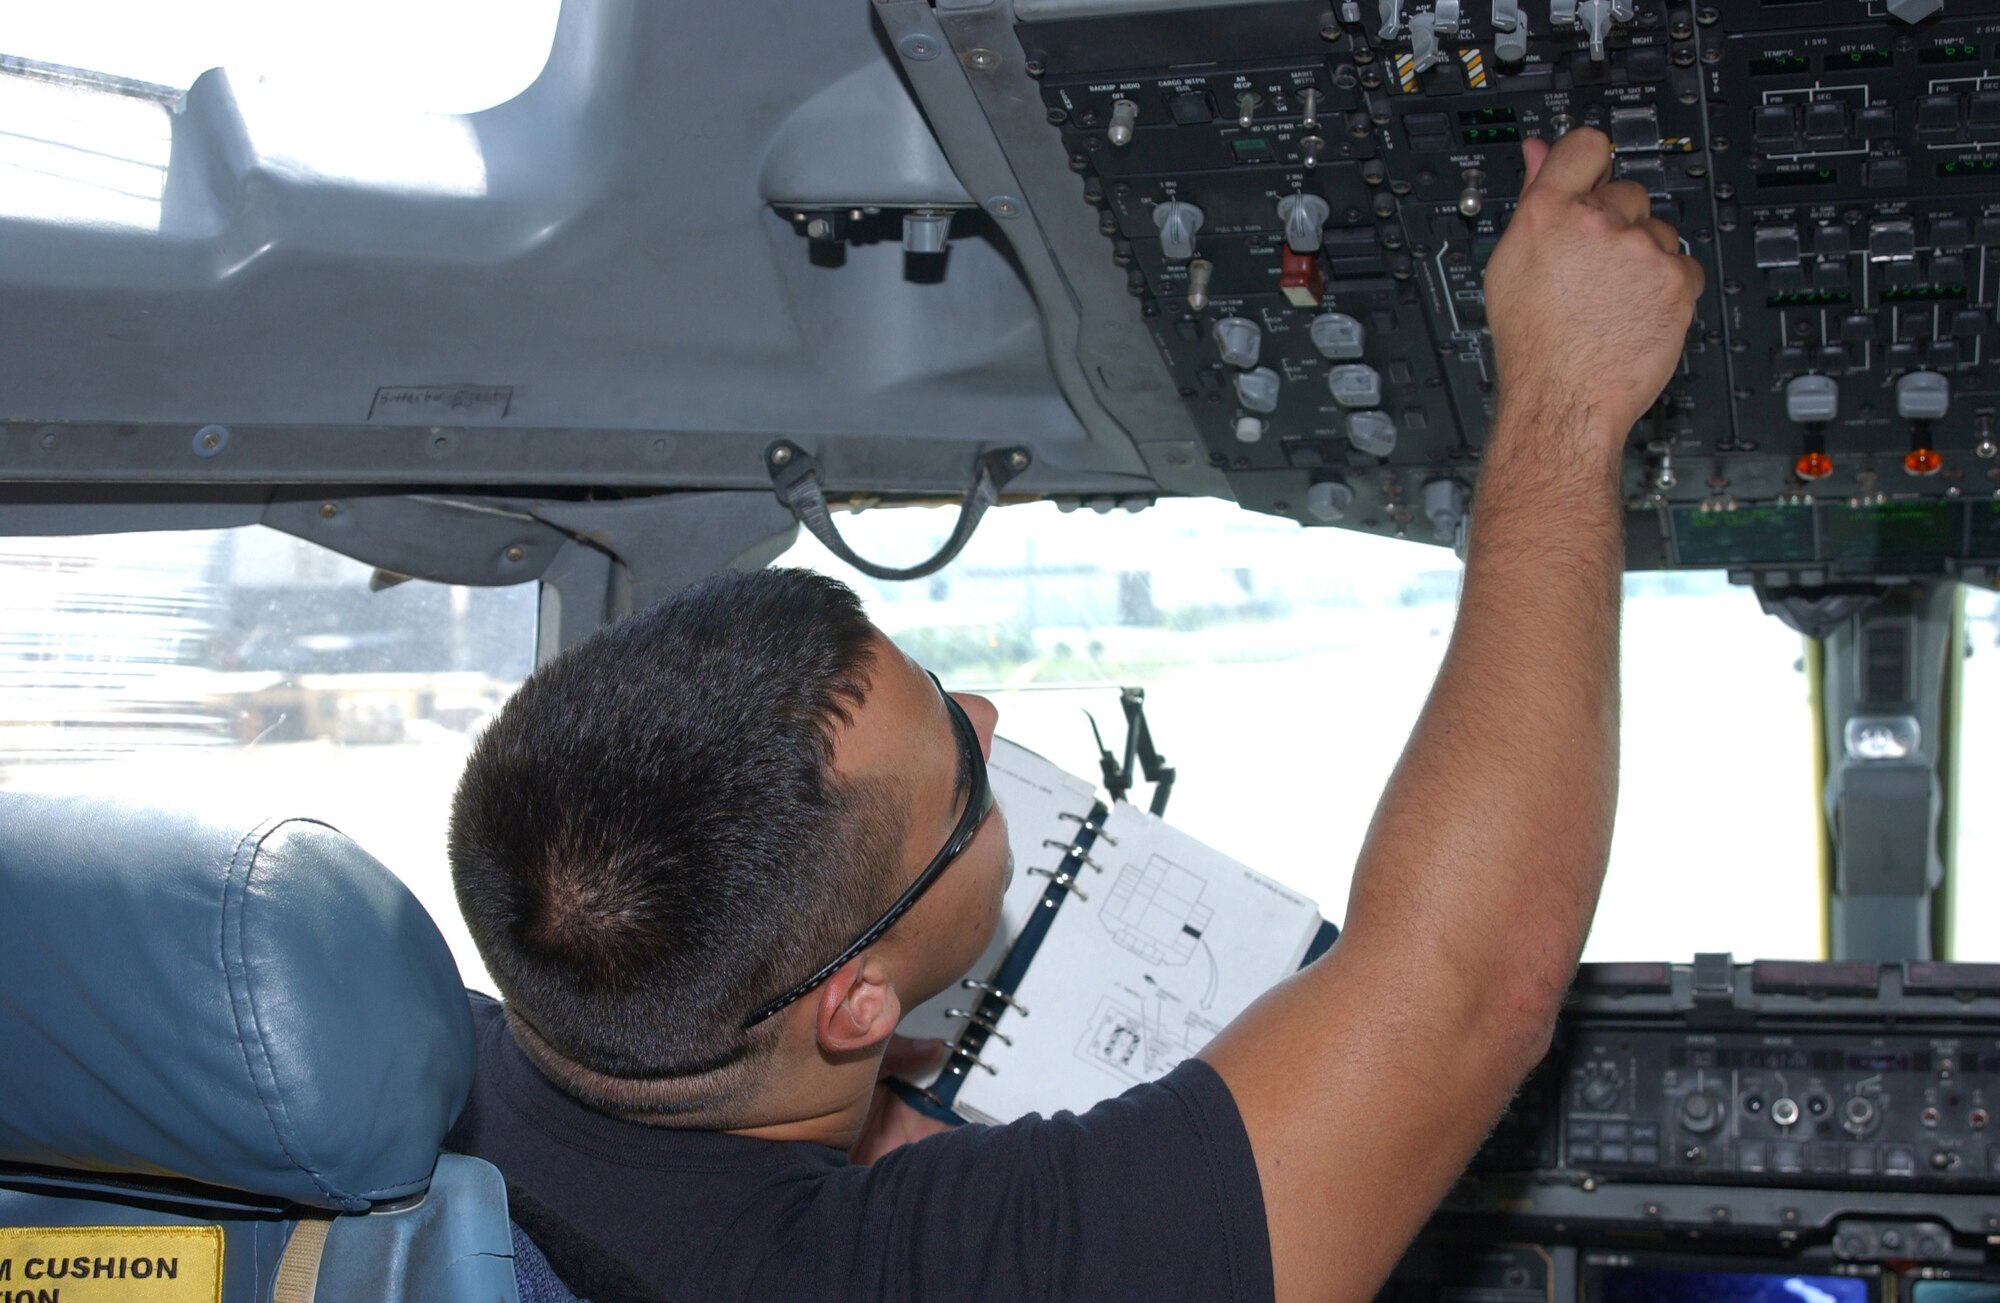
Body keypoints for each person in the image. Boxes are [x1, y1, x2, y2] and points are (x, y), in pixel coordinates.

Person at [443, 126, 1703, 1303]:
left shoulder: (427, 1076)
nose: (985, 719)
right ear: (858, 1008)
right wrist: (1568, 403)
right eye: (957, 782)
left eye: (940, 692)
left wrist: (853, 1111)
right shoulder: (894, 1272)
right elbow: (1468, 991)